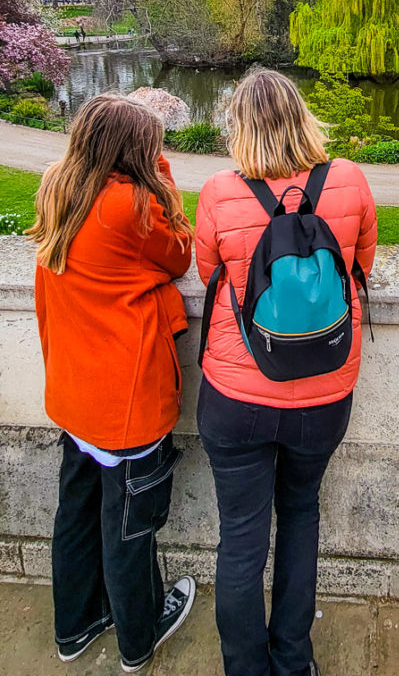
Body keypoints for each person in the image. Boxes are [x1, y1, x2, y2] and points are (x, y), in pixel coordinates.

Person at [195, 69, 377, 676]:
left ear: (239, 126)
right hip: (324, 393)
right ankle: (294, 660)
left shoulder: (221, 191)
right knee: (301, 515)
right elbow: (362, 263)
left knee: (241, 536)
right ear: (304, 117)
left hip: (236, 394)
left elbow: (206, 271)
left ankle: (246, 668)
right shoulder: (348, 179)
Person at [27, 93, 196, 673]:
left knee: (74, 516)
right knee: (130, 529)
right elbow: (178, 255)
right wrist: (161, 174)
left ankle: (74, 629)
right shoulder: (130, 204)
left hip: (76, 395)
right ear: (134, 152)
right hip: (126, 403)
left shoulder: (58, 185)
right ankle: (138, 639)